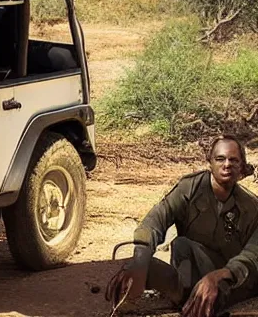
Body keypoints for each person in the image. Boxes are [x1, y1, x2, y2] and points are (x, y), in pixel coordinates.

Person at [106, 135, 258, 317]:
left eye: (234, 160)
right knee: (175, 248)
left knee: (209, 300)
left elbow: (251, 256)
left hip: (232, 277)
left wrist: (218, 277)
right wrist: (139, 263)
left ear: (241, 166)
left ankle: (195, 299)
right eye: (220, 159)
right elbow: (155, 221)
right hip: (192, 269)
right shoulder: (190, 188)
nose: (227, 164)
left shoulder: (251, 207)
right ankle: (183, 293)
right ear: (209, 162)